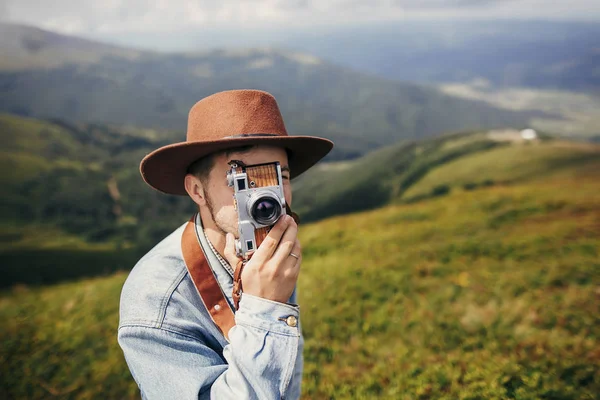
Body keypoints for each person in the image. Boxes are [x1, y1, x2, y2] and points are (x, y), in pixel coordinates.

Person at [118, 89, 333, 399]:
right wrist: (264, 309)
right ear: (196, 190)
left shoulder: (265, 254)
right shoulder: (156, 305)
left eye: (279, 176)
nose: (266, 197)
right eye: (242, 180)